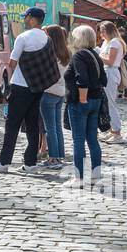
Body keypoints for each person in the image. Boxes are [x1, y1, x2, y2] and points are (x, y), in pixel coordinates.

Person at [0, 6, 48, 173]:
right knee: (33, 125)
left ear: (32, 19)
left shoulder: (23, 37)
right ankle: (30, 163)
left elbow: (12, 63)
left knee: (12, 125)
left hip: (20, 85)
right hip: (37, 87)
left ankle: (3, 162)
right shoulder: (46, 38)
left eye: (26, 17)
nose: (24, 20)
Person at [65, 25, 106, 185]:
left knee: (79, 140)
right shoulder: (95, 55)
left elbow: (82, 79)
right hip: (96, 100)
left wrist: (82, 98)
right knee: (92, 139)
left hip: (82, 101)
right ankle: (96, 174)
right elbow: (104, 80)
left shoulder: (79, 55)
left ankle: (78, 178)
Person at [39, 25, 71, 170]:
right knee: (57, 127)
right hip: (60, 91)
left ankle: (53, 158)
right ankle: (59, 155)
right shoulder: (66, 52)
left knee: (49, 128)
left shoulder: (50, 53)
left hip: (48, 91)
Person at [97, 20, 125, 144]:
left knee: (110, 103)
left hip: (111, 72)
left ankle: (117, 132)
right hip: (106, 72)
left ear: (109, 31)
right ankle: (112, 130)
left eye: (103, 31)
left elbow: (110, 61)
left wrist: (97, 54)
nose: (101, 34)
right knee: (106, 103)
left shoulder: (115, 42)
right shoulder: (107, 42)